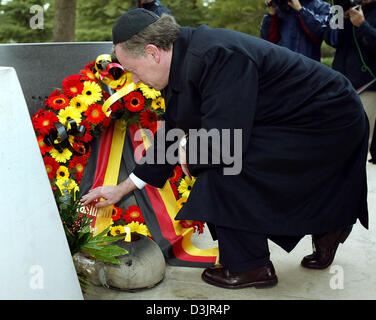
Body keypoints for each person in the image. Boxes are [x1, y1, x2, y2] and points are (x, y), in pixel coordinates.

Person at [81, 8, 369, 289]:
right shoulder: (180, 62)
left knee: (220, 164)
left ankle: (250, 266)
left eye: (132, 70)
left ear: (154, 52)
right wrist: (122, 188)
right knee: (211, 157)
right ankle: (329, 225)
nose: (133, 80)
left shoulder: (216, 55)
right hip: (297, 118)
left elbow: (224, 144)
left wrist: (190, 151)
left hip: (329, 119)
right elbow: (173, 133)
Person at [324, 0, 376, 161]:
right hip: (341, 84)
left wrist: (362, 25)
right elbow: (330, 39)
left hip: (368, 85)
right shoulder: (344, 9)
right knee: (337, 140)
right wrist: (340, 12)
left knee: (361, 141)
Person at [260, 0, 331, 61]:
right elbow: (267, 40)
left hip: (307, 67)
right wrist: (272, 11)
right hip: (282, 66)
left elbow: (319, 33)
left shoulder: (322, 6)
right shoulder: (281, 6)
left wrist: (300, 10)